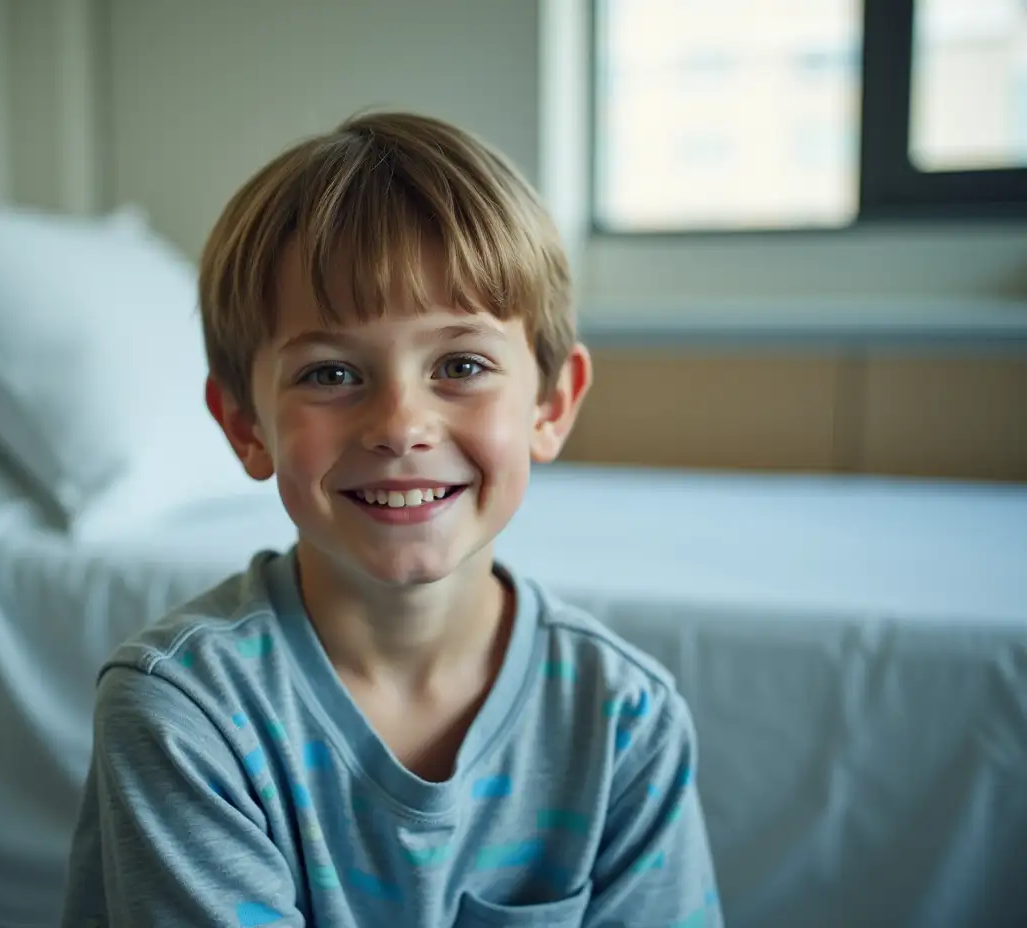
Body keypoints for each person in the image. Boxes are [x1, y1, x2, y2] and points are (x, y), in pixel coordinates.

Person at [60, 111, 723, 928]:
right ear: (244, 425)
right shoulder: (184, 716)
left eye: (461, 365)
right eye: (332, 372)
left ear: (551, 404)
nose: (401, 423)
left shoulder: (623, 720)